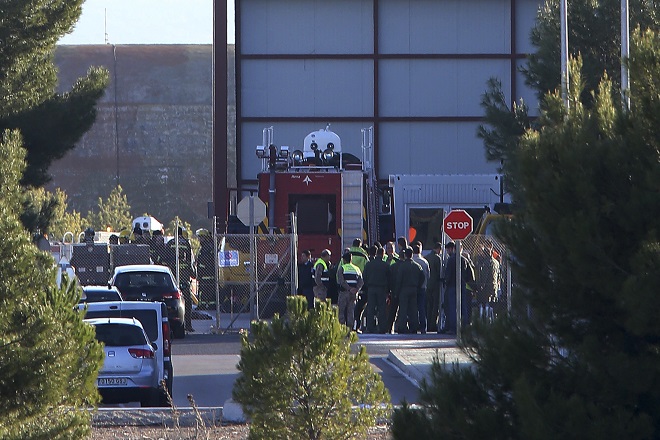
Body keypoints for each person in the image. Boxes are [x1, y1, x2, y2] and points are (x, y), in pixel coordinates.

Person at [166, 227, 194, 332]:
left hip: (173, 276)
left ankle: (172, 325)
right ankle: (188, 325)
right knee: (187, 301)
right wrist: (191, 272)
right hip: (184, 276)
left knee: (174, 301)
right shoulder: (186, 244)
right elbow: (190, 260)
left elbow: (166, 257)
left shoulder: (169, 243)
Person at [442, 241, 472, 333]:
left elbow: (448, 274)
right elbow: (471, 275)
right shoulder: (464, 259)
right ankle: (464, 326)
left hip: (452, 286)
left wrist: (446, 282)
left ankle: (453, 328)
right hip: (462, 285)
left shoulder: (451, 260)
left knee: (452, 307)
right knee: (463, 306)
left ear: (454, 248)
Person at [394, 247, 424, 334]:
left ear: (405, 255)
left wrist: (397, 292)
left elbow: (399, 280)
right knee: (413, 309)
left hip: (404, 289)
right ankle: (414, 326)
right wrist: (418, 286)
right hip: (414, 289)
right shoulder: (417, 266)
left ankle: (402, 327)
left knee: (403, 309)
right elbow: (422, 277)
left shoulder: (402, 266)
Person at [362, 246, 390, 333]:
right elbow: (389, 278)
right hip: (381, 289)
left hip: (371, 289)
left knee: (370, 308)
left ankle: (370, 327)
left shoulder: (369, 264)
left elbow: (364, 277)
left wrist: (367, 287)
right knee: (382, 309)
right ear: (383, 254)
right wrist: (388, 290)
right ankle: (382, 328)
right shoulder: (386, 265)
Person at [336, 251, 364, 329]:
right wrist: (356, 289)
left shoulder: (342, 268)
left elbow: (341, 281)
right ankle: (350, 328)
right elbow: (361, 281)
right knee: (350, 311)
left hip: (344, 293)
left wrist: (349, 289)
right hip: (353, 294)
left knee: (341, 311)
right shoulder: (357, 269)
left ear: (344, 260)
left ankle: (341, 327)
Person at [475, 239, 500, 322]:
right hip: (494, 286)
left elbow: (484, 275)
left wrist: (481, 285)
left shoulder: (486, 263)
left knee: (484, 302)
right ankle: (492, 318)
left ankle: (484, 318)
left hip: (487, 287)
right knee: (492, 303)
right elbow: (499, 274)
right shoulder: (496, 262)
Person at [195, 228, 217, 310]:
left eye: (201, 237)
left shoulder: (206, 248)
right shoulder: (210, 246)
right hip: (210, 274)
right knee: (210, 291)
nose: (199, 239)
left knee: (203, 291)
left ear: (205, 237)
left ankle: (202, 305)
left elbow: (203, 262)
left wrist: (199, 272)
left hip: (205, 274)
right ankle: (211, 305)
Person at [411, 242, 430, 334]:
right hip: (422, 288)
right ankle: (423, 327)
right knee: (422, 308)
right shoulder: (424, 262)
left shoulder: (411, 261)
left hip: (412, 288)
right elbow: (428, 275)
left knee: (413, 308)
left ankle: (413, 326)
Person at [426, 242, 444, 333]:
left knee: (428, 305)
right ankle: (432, 324)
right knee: (435, 305)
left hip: (427, 284)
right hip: (435, 284)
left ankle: (428, 323)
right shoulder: (438, 258)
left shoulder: (426, 257)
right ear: (439, 249)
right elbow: (439, 272)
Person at [384, 241, 400, 333]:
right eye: (388, 248)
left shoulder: (397, 259)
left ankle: (393, 327)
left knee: (394, 309)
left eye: (391, 248)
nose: (389, 250)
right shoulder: (384, 259)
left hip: (394, 287)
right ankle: (387, 327)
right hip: (386, 287)